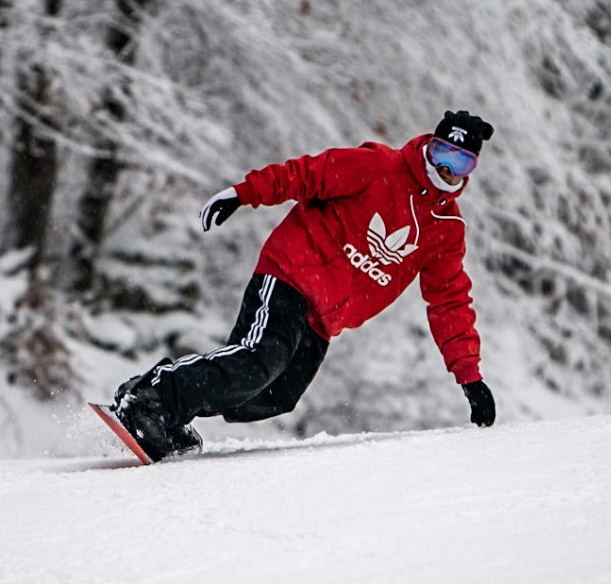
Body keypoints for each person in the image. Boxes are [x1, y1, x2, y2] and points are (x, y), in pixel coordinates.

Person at [109, 110, 498, 461]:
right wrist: (243, 194)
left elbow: (449, 301)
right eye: (442, 153)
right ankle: (152, 399)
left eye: (460, 162)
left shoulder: (446, 230)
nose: (446, 168)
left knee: (274, 396)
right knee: (257, 362)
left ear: (470, 170)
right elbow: (307, 174)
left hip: (324, 317)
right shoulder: (379, 166)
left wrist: (469, 376)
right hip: (290, 274)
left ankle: (172, 413)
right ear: (429, 147)